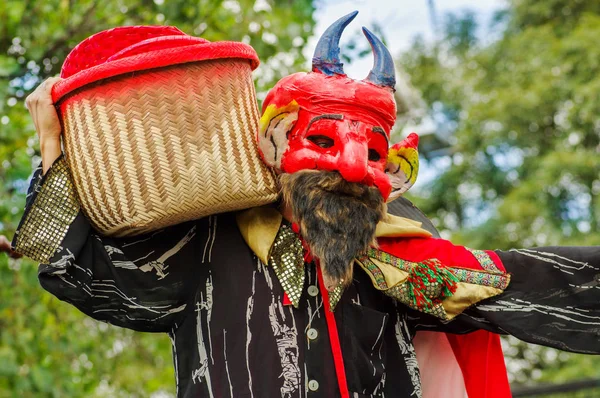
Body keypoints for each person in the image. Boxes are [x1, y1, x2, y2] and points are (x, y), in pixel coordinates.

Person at [3, 12, 600, 398]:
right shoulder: (207, 244)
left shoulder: (415, 263)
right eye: (321, 141)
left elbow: (537, 284)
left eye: (369, 150)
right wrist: (57, 154)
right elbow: (103, 279)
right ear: (271, 143)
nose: (346, 167)